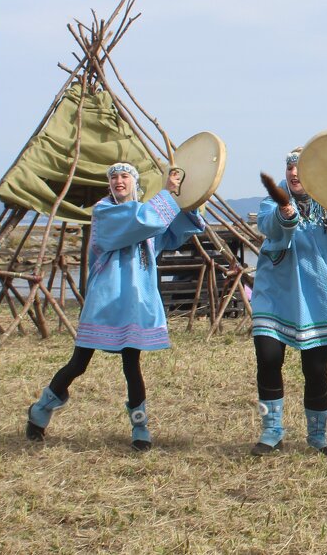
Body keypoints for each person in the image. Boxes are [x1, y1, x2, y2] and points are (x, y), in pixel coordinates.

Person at [25, 163, 203, 450]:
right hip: (105, 300)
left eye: (125, 177)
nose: (119, 181)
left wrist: (188, 200)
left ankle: (140, 425)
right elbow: (144, 220)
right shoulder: (106, 213)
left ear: (134, 182)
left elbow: (170, 230)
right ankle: (40, 410)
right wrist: (167, 195)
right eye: (114, 178)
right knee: (79, 363)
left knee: (131, 364)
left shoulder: (146, 213)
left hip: (134, 300)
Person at [248, 148, 327, 456]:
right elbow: (269, 225)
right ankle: (271, 432)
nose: (294, 173)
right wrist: (286, 213)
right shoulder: (274, 200)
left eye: (302, 169)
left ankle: (317, 436)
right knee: (267, 358)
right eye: (290, 168)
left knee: (316, 369)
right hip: (276, 295)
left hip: (318, 298)